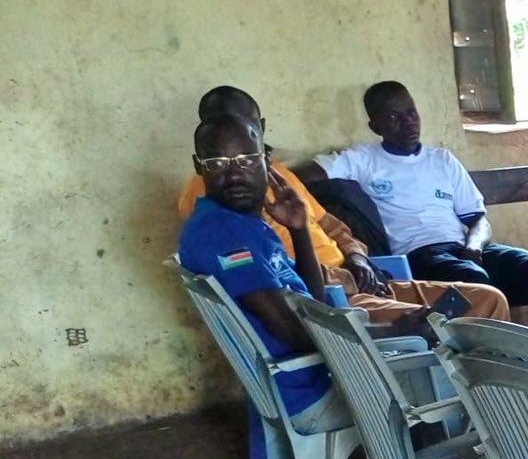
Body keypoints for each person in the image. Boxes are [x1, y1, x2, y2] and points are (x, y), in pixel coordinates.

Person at [178, 114, 442, 430]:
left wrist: (300, 229)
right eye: (218, 164)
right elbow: (294, 334)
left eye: (247, 160)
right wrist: (393, 332)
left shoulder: (242, 224)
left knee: (429, 349)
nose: (235, 175)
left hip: (312, 375)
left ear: (266, 161)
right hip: (313, 391)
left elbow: (313, 299)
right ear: (199, 166)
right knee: (450, 375)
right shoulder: (224, 235)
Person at [175, 87, 509, 326]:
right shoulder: (217, 207)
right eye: (221, 155)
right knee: (449, 322)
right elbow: (288, 290)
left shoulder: (279, 174)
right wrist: (345, 276)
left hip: (360, 278)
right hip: (338, 299)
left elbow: (332, 227)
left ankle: (489, 404)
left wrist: (358, 258)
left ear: (259, 128)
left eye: (248, 145)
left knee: (487, 299)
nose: (236, 165)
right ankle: (473, 407)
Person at [305, 83, 528, 334]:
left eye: (411, 112)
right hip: (418, 256)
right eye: (393, 116)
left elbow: (478, 220)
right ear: (375, 126)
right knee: (472, 279)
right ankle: (495, 363)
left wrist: (474, 246)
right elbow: (308, 174)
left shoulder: (442, 160)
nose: (408, 121)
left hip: (464, 248)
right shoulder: (365, 159)